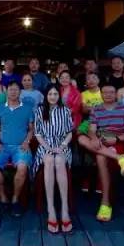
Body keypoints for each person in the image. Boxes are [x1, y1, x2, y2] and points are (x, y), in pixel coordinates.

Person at [77, 83, 124, 222]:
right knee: (81, 138)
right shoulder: (96, 109)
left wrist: (116, 139)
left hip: (118, 140)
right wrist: (94, 138)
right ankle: (121, 158)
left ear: (116, 94)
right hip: (101, 139)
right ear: (101, 94)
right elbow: (92, 129)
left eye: (111, 92)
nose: (108, 95)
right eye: (105, 92)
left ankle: (105, 202)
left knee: (100, 157)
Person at [0, 80, 34, 217]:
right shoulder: (0, 108)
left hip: (21, 146)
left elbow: (31, 129)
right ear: (6, 92)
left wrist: (27, 142)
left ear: (20, 92)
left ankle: (15, 199)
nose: (13, 92)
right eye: (10, 89)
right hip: (3, 146)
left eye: (16, 89)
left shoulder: (27, 108)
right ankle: (3, 199)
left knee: (22, 167)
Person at [33, 84, 74, 233]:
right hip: (45, 145)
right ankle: (50, 208)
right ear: (46, 96)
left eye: (55, 94)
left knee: (59, 160)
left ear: (59, 96)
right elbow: (38, 133)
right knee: (50, 160)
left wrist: (62, 146)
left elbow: (69, 132)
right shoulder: (39, 110)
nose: (53, 97)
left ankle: (64, 208)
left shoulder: (65, 110)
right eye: (50, 94)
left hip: (62, 145)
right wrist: (48, 147)